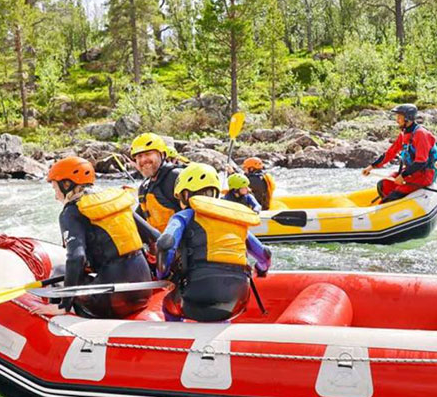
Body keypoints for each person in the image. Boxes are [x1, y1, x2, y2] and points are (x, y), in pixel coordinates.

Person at [46, 156, 160, 319]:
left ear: (66, 185)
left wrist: (65, 304)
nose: (55, 195)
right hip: (144, 292)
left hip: (115, 302)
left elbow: (76, 258)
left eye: (55, 188)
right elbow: (156, 237)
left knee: (59, 271)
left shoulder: (71, 212)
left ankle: (59, 317)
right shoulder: (113, 201)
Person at [156, 163, 272, 322]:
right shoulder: (234, 218)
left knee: (169, 305)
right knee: (222, 308)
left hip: (199, 293)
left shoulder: (184, 216)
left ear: (186, 195)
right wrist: (261, 269)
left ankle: (177, 339)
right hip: (239, 298)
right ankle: (222, 330)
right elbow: (264, 254)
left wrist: (164, 275)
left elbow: (165, 244)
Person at [362, 104, 437, 204]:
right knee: (384, 184)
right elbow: (390, 152)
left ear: (408, 118)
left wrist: (403, 175)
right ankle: (388, 204)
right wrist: (371, 167)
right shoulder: (404, 134)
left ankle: (389, 205)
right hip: (410, 173)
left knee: (394, 196)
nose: (397, 120)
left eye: (399, 117)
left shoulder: (421, 134)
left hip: (424, 175)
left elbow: (421, 162)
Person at [131, 133, 183, 233]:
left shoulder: (176, 177)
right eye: (139, 156)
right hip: (162, 244)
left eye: (148, 154)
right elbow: (139, 222)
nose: (143, 160)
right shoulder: (144, 188)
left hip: (182, 244)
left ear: (162, 154)